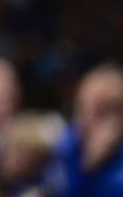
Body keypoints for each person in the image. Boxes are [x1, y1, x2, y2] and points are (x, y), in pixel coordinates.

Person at [43, 64, 123, 196]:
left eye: (107, 110)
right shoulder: (65, 146)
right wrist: (88, 165)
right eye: (84, 108)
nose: (87, 120)